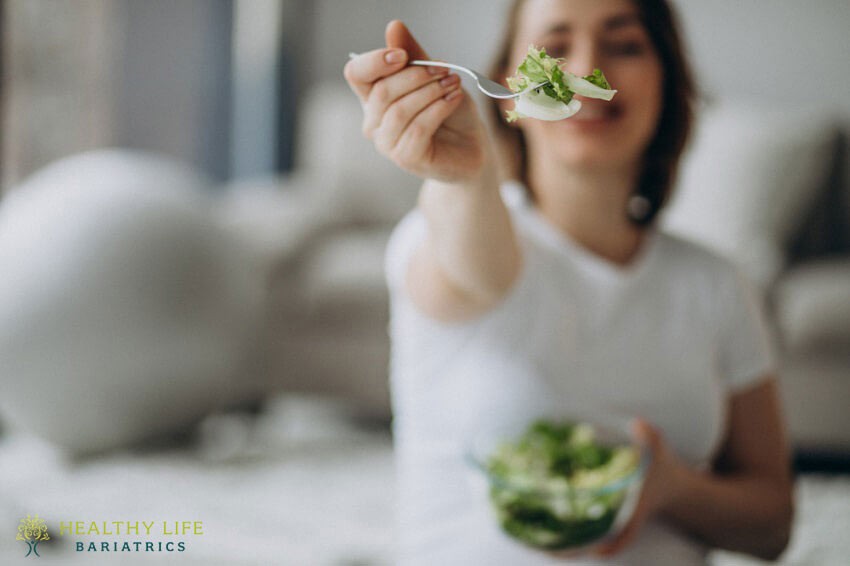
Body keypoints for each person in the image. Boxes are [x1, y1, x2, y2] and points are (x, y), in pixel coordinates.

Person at [344, 1, 793, 564]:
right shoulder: (442, 234)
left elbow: (773, 524)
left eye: (624, 45)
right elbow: (480, 270)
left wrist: (673, 489)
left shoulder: (718, 285)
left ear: (667, 78)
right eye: (555, 47)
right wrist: (466, 180)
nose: (584, 68)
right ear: (508, 87)